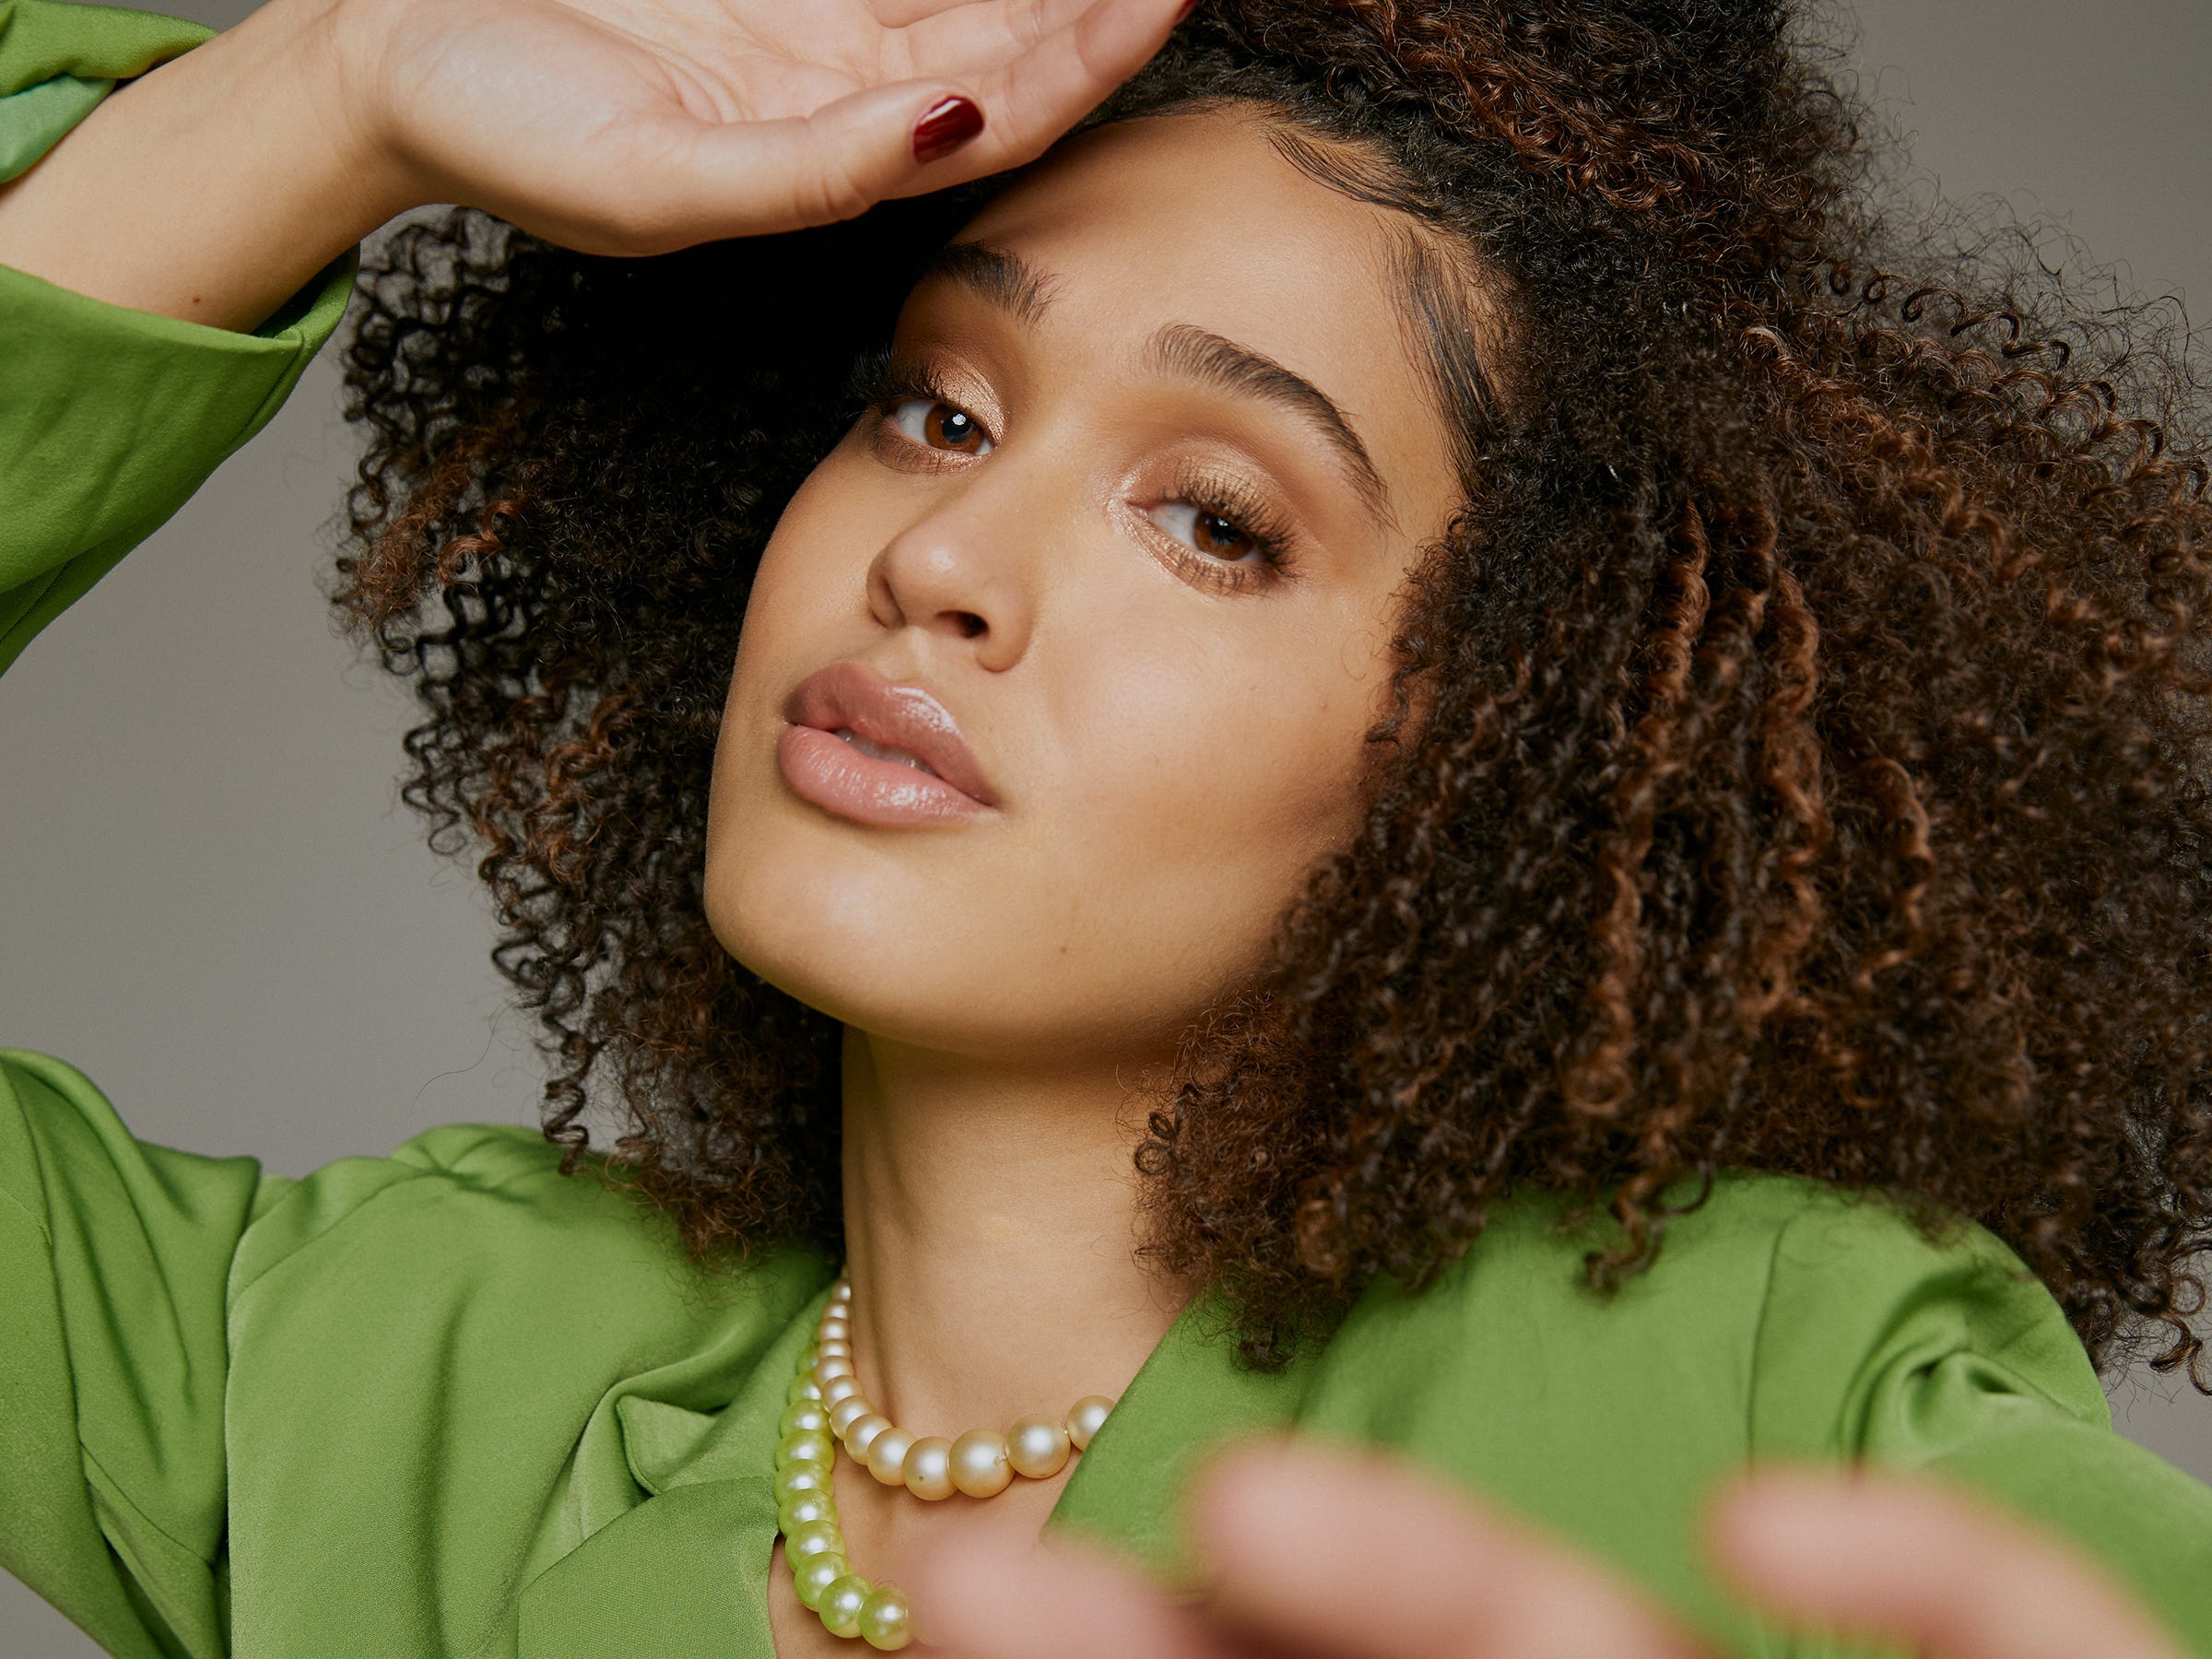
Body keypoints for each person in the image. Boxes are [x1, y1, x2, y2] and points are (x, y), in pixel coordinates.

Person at [2, 0, 2208, 1654]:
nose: (948, 551)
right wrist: (325, 90)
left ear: (1506, 747)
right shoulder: (391, 1378)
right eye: (937, 404)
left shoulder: (1772, 1399)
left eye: (1217, 521)